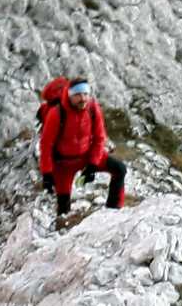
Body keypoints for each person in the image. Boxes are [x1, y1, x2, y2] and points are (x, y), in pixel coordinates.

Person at [36, 76, 127, 216]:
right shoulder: (56, 114)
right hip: (63, 164)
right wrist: (47, 174)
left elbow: (99, 137)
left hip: (86, 155)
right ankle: (63, 234)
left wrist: (92, 164)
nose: (83, 98)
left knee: (120, 169)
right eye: (78, 95)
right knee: (63, 207)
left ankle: (113, 213)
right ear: (70, 96)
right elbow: (46, 145)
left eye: (85, 94)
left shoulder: (92, 108)